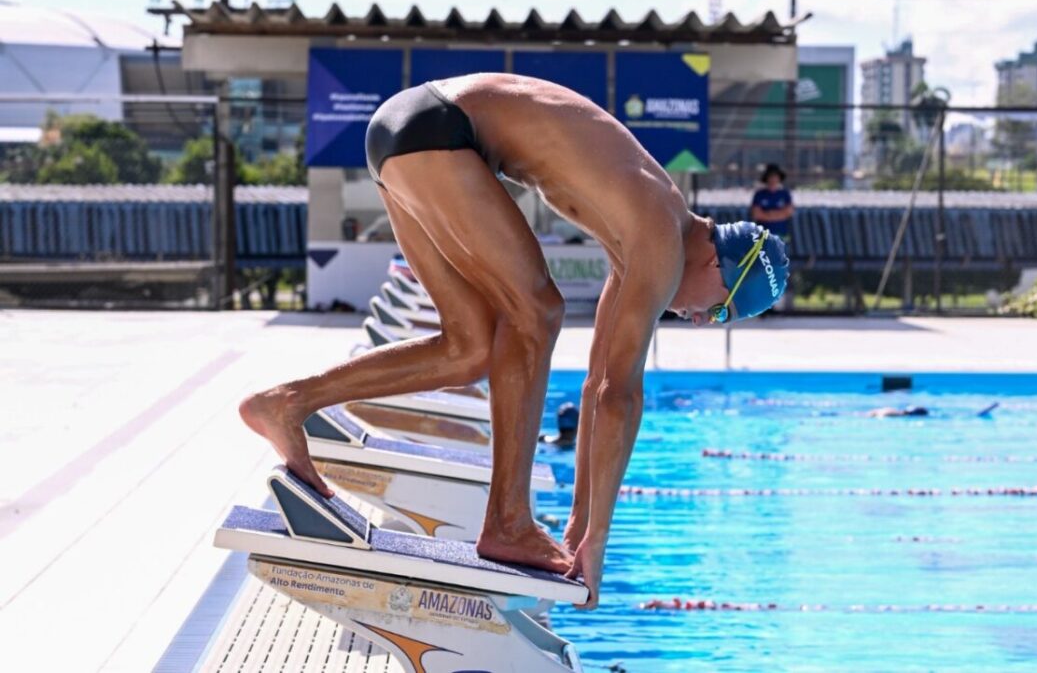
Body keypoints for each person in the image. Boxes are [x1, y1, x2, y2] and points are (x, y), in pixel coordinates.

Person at [239, 73, 789, 609]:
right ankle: (507, 520)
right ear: (719, 263)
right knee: (539, 311)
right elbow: (621, 396)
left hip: (407, 132)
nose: (699, 319)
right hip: (440, 131)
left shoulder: (644, 237)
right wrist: (599, 541)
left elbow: (599, 382)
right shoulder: (661, 235)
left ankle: (288, 402)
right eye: (719, 310)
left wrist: (580, 525)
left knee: (470, 346)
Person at [749, 164, 794, 241]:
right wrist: (778, 214)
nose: (773, 179)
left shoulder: (785, 194)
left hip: (782, 235)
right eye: (770, 176)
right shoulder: (759, 194)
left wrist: (769, 214)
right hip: (763, 236)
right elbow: (756, 214)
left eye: (775, 176)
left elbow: (789, 212)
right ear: (766, 178)